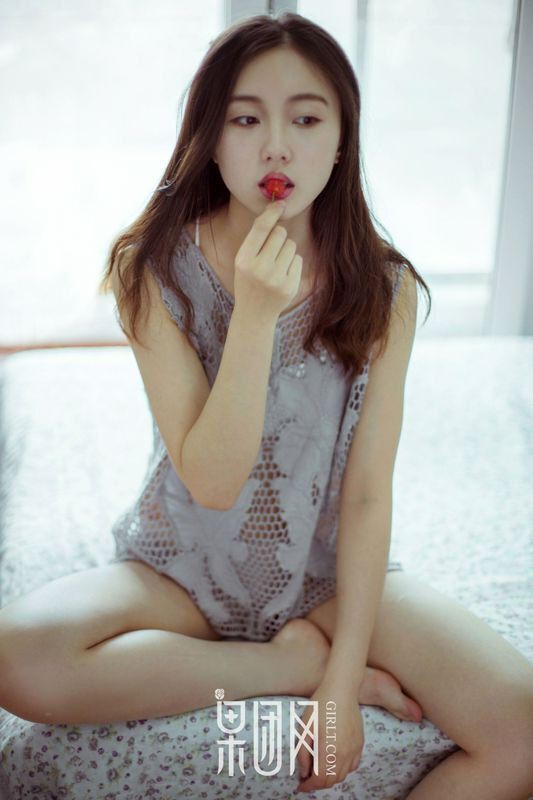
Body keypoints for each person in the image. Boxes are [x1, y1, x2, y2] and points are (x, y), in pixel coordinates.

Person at [0, 12, 532, 799]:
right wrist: (254, 314)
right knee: (18, 658)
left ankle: (310, 655)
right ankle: (282, 663)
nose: (276, 146)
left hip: (324, 577)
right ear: (211, 140)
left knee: (522, 733)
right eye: (245, 120)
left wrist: (344, 679)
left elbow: (365, 494)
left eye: (306, 119)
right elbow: (213, 483)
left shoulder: (384, 289)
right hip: (181, 567)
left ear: (341, 141)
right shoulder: (151, 271)